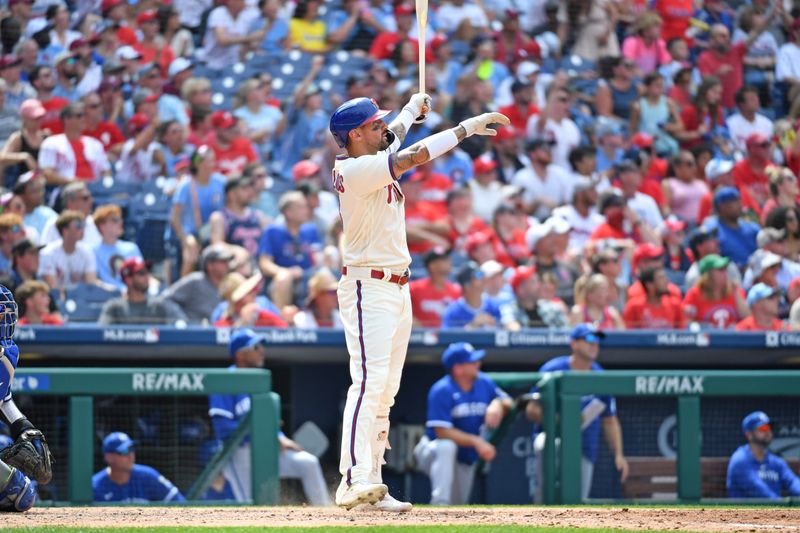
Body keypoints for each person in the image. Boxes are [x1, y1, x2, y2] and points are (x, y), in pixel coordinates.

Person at [329, 92, 508, 510]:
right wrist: (465, 128)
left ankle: (371, 484)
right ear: (355, 135)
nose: (382, 129)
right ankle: (353, 478)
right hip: (366, 285)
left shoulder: (369, 154)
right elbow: (410, 156)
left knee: (386, 390)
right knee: (369, 381)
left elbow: (395, 138)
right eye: (374, 125)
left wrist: (412, 110)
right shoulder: (356, 169)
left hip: (396, 285)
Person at [208, 329, 332, 505]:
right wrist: (263, 433)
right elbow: (222, 429)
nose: (262, 351)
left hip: (266, 448)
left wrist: (279, 437)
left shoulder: (259, 381)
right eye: (256, 347)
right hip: (238, 452)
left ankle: (326, 512)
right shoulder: (226, 380)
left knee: (308, 463)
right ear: (240, 355)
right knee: (251, 505)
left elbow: (269, 424)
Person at [525, 323, 629, 502]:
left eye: (597, 340)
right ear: (574, 344)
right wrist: (562, 421)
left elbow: (609, 420)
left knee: (577, 502)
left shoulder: (600, 376)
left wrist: (619, 454)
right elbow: (531, 410)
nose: (594, 343)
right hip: (551, 439)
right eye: (589, 339)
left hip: (585, 445)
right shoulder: (552, 370)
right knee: (545, 498)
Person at [413, 342, 511, 505]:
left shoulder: (484, 382)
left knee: (458, 505)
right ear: (458, 369)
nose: (478, 364)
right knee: (446, 446)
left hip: (465, 455)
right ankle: (439, 502)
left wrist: (498, 404)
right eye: (472, 362)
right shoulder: (442, 389)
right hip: (432, 451)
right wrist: (477, 441)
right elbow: (441, 432)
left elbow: (507, 400)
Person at [0, 285, 43, 512]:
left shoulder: (5, 354)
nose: (4, 318)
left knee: (24, 493)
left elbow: (4, 399)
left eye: (5, 312)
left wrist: (22, 426)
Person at [92, 431, 185, 503]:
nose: (130, 455)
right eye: (124, 451)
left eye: (131, 449)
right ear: (109, 457)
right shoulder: (96, 486)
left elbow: (179, 502)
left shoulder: (147, 476)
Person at [727, 411, 800, 499]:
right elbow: (758, 491)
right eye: (763, 428)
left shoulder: (775, 461)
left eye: (769, 427)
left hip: (775, 510)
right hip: (745, 511)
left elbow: (792, 482)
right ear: (749, 434)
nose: (768, 431)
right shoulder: (740, 460)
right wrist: (782, 505)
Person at [161, 245, 233, 323]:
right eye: (222, 261)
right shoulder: (196, 281)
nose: (227, 264)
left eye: (227, 261)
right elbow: (166, 298)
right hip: (194, 332)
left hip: (218, 332)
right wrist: (181, 320)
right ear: (209, 265)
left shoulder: (230, 283)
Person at [98, 259, 180, 325]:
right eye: (142, 273)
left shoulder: (158, 306)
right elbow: (100, 336)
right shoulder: (114, 307)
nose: (147, 277)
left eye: (147, 272)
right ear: (128, 279)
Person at [683, 254, 748, 329]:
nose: (725, 273)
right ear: (708, 275)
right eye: (720, 269)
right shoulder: (695, 294)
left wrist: (736, 293)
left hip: (734, 338)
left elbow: (747, 317)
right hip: (707, 338)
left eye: (725, 269)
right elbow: (686, 322)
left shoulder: (735, 290)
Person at [38, 210, 98, 290]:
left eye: (83, 225)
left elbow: (91, 283)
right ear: (65, 231)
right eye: (78, 226)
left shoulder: (87, 252)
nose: (82, 229)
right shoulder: (47, 253)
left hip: (82, 298)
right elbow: (53, 288)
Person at [409, 247, 462, 328]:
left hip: (449, 337)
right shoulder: (414, 288)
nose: (449, 261)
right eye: (444, 259)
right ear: (432, 266)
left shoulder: (457, 290)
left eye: (448, 258)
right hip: (421, 338)